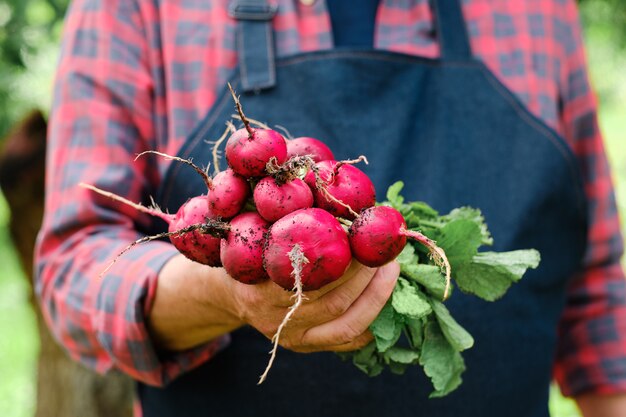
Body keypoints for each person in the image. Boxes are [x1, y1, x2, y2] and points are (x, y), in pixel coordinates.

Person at [36, 0, 626, 416]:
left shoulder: (539, 9)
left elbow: (597, 287)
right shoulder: (138, 6)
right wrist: (219, 293)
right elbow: (73, 265)